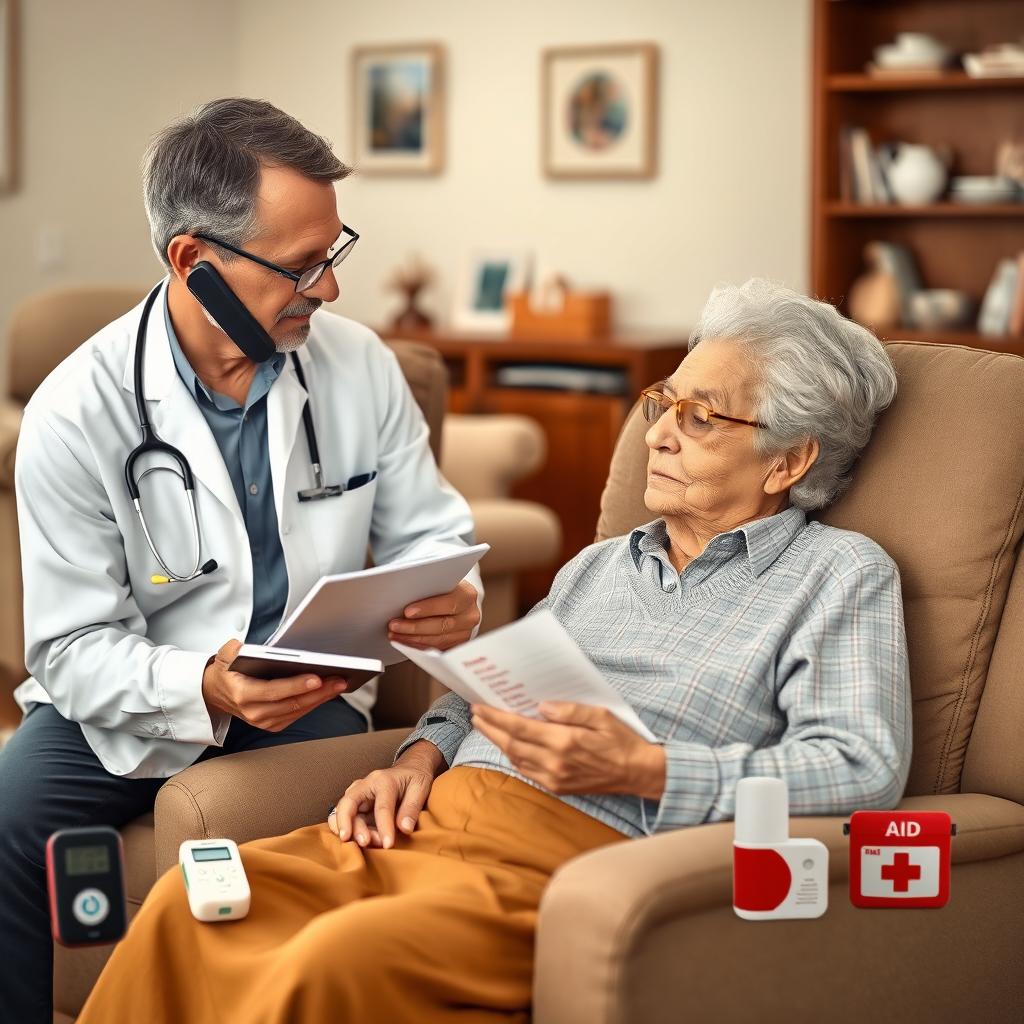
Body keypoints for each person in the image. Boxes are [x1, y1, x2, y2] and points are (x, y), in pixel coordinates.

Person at [78, 278, 913, 1023]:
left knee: (327, 964)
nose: (658, 434)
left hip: (573, 862)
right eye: (665, 402)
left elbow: (862, 765)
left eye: (702, 417)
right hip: (428, 825)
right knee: (188, 902)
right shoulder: (600, 564)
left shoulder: (835, 575)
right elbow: (480, 688)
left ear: (790, 460)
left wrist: (644, 769)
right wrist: (414, 760)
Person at [0, 97, 482, 1023]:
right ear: (193, 261)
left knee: (366, 836)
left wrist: (451, 591)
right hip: (129, 699)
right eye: (303, 265)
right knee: (14, 828)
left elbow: (436, 534)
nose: (332, 290)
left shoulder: (361, 366)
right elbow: (68, 649)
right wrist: (207, 685)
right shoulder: (76, 412)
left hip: (309, 695)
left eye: (334, 254)